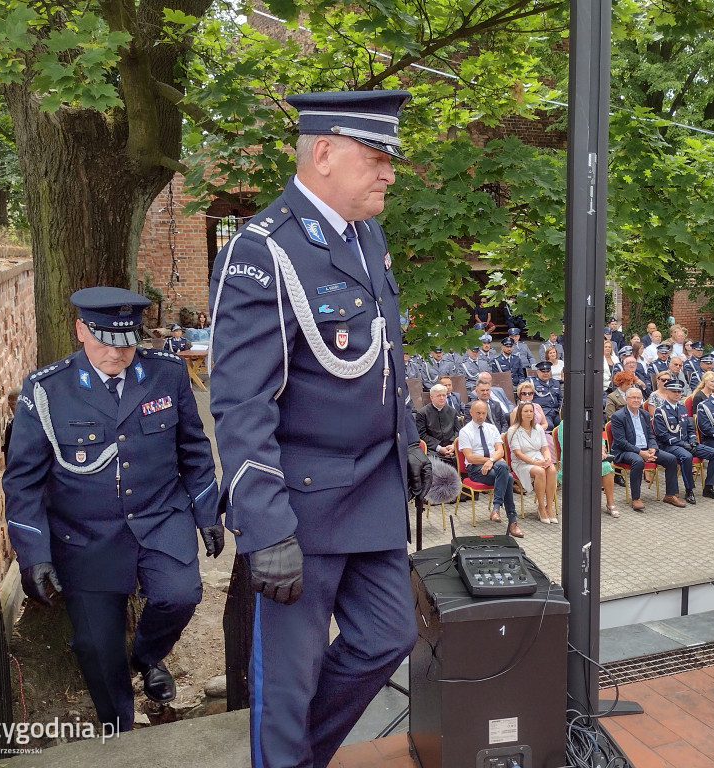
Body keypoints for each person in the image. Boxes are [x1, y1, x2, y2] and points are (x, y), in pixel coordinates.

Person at [206, 90, 432, 768]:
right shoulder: (263, 252)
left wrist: (412, 447)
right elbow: (240, 402)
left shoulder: (365, 235)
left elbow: (384, 359)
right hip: (299, 504)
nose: (389, 171)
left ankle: (298, 757)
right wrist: (264, 525)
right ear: (325, 153)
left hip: (370, 489)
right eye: (376, 156)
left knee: (390, 633)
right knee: (289, 678)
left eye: (389, 157)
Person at [2, 287, 223, 732]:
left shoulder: (167, 373)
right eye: (103, 341)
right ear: (80, 330)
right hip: (87, 535)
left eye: (125, 342)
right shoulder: (47, 389)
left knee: (180, 596)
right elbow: (22, 481)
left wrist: (207, 513)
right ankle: (118, 731)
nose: (115, 353)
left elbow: (194, 451)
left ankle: (146, 656)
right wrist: (34, 555)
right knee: (97, 648)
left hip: (160, 517)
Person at [609, 387, 683, 510]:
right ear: (626, 399)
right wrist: (640, 452)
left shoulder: (644, 414)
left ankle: (670, 495)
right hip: (625, 451)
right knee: (637, 461)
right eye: (633, 397)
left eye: (639, 398)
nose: (636, 400)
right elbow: (621, 442)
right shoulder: (618, 416)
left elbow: (650, 435)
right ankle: (636, 498)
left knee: (671, 459)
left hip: (646, 449)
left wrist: (653, 447)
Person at [459, 400, 523, 538]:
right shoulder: (465, 431)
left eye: (483, 413)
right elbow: (470, 457)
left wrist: (491, 460)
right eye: (478, 413)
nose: (481, 416)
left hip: (494, 465)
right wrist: (489, 460)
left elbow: (500, 451)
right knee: (508, 476)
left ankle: (497, 510)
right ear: (471, 412)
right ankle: (512, 521)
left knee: (502, 467)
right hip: (476, 469)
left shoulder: (492, 428)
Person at [653, 379, 714, 505]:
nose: (677, 394)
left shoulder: (682, 407)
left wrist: (693, 440)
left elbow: (690, 428)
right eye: (674, 391)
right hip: (670, 445)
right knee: (686, 456)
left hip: (687, 443)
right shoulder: (660, 410)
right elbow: (662, 435)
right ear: (667, 391)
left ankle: (709, 487)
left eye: (679, 391)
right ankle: (689, 490)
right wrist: (682, 444)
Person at [507, 402, 557, 523]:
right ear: (520, 413)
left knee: (552, 469)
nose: (529, 414)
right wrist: (536, 463)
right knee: (539, 471)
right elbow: (518, 453)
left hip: (538, 457)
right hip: (521, 462)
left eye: (531, 411)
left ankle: (549, 507)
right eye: (526, 411)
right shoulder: (513, 430)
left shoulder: (538, 428)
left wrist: (547, 458)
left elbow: (545, 448)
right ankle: (541, 506)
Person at [416, 384, 459, 463]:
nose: (442, 398)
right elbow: (422, 435)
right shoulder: (422, 413)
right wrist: (439, 448)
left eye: (444, 395)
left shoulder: (452, 411)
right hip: (433, 450)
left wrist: (453, 445)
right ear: (431, 397)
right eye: (439, 396)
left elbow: (458, 431)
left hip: (452, 448)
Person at [530, 360, 562, 428]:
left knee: (565, 425)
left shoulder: (555, 382)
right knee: (549, 426)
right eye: (543, 371)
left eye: (548, 371)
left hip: (555, 412)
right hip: (543, 412)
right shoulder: (532, 382)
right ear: (538, 371)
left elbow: (560, 399)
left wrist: (561, 411)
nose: (546, 373)